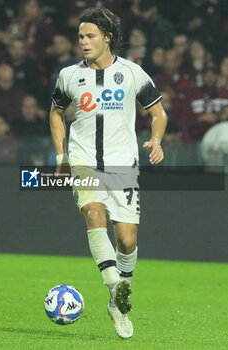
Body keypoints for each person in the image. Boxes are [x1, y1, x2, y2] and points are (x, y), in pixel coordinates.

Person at [50, 7, 167, 339]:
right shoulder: (69, 75)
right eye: (81, 37)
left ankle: (117, 304)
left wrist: (156, 138)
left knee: (127, 241)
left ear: (108, 37)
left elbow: (158, 112)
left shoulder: (132, 73)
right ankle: (115, 285)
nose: (84, 43)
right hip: (84, 158)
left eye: (90, 36)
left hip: (123, 164)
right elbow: (56, 113)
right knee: (93, 212)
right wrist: (62, 155)